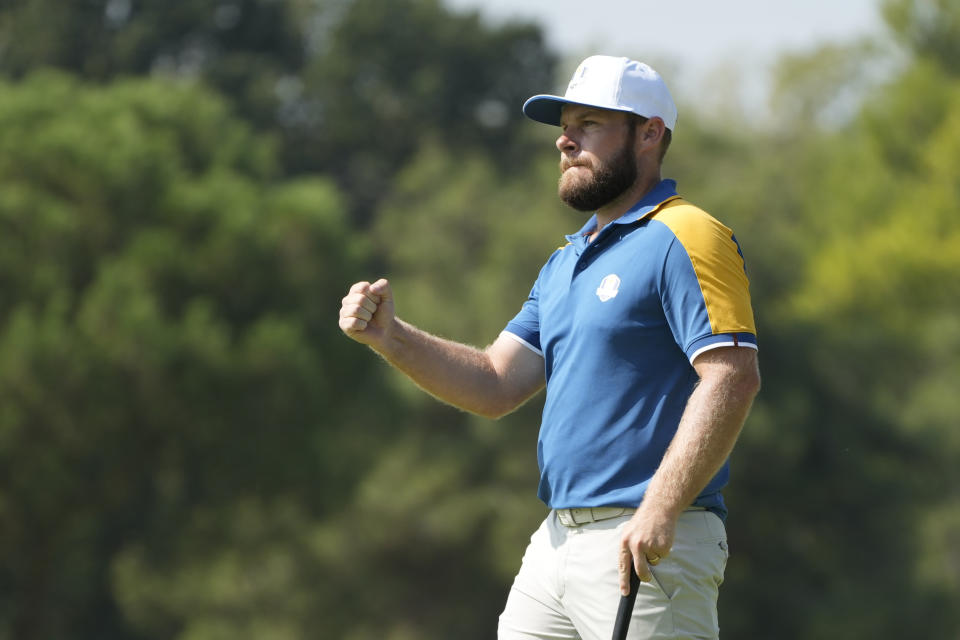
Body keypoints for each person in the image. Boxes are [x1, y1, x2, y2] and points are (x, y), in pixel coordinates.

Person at [338, 55, 760, 640]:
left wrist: (659, 508)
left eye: (588, 124)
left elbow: (732, 376)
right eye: (565, 127)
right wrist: (392, 337)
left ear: (648, 133)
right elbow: (494, 383)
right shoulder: (566, 262)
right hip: (555, 544)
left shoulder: (688, 234)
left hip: (650, 538)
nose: (564, 141)